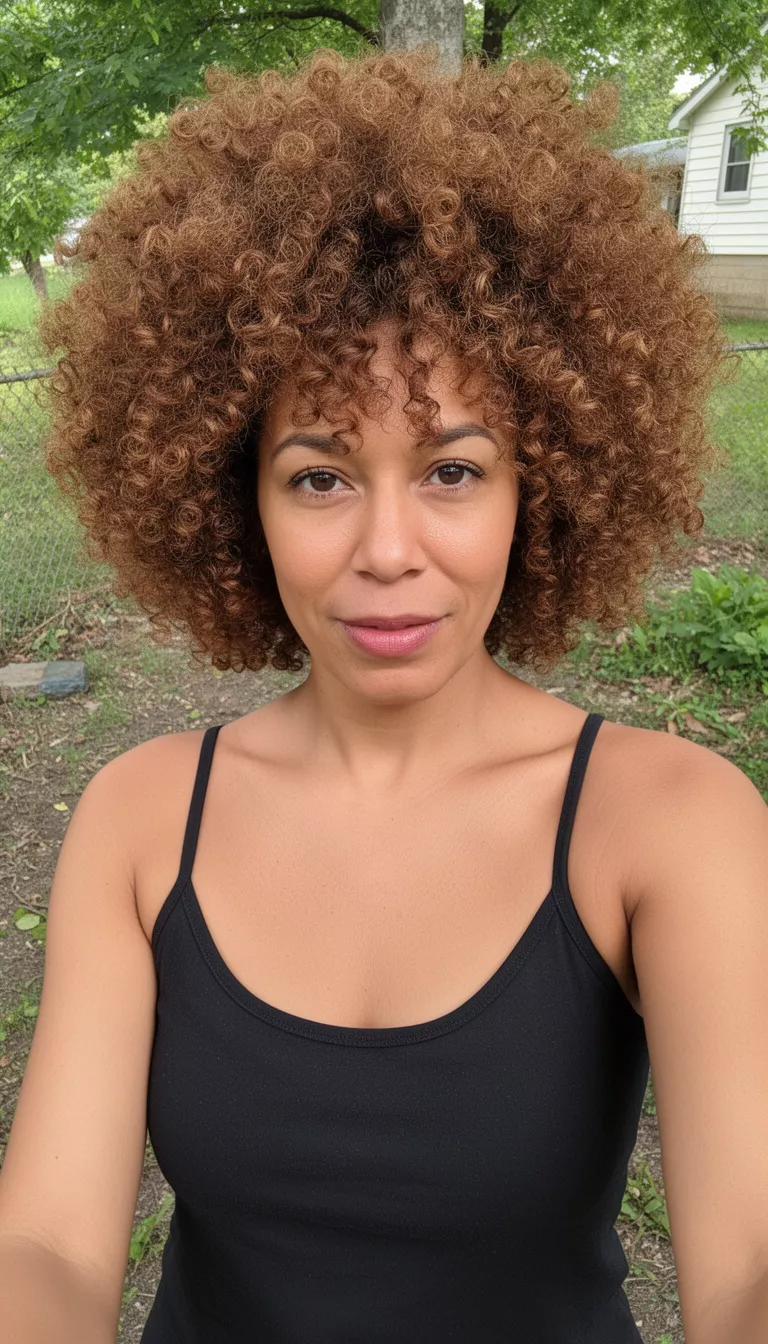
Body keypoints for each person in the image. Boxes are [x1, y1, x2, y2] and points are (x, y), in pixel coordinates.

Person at [1, 45, 767, 1344]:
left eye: (456, 471)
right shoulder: (139, 821)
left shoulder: (668, 821)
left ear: (545, 487)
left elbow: (748, 1261)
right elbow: (51, 1245)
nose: (390, 550)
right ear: (232, 499)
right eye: (320, 476)